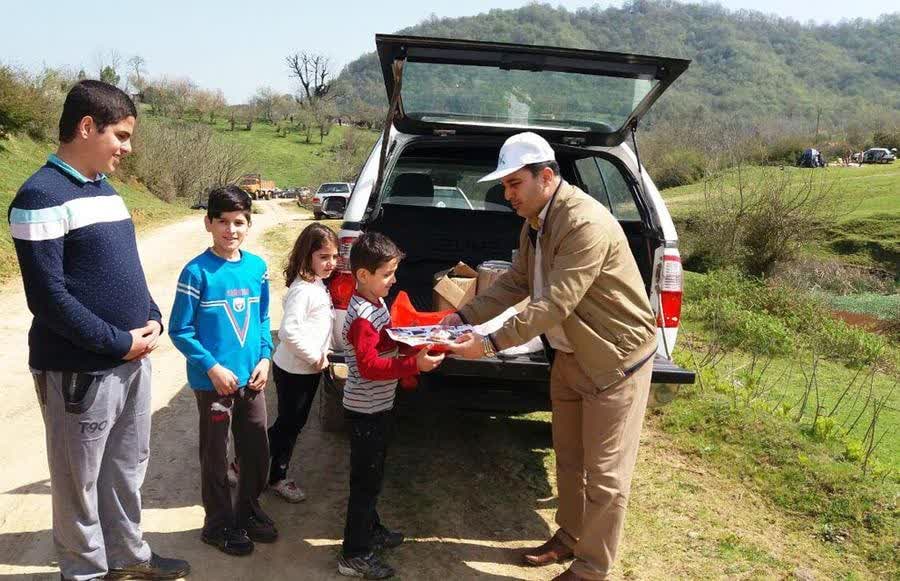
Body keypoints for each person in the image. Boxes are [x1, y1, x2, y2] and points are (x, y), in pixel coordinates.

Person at [447, 132, 659, 581]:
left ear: (546, 176)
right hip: (569, 353)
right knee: (569, 457)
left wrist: (487, 344)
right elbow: (515, 283)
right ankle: (569, 537)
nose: (507, 196)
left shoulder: (585, 224)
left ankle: (592, 568)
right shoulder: (536, 222)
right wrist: (462, 316)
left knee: (605, 477)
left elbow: (555, 303)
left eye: (513, 185)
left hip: (613, 361)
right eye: (504, 187)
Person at [8, 80, 190, 580]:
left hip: (131, 361)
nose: (127, 149)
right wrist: (118, 342)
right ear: (87, 127)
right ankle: (85, 572)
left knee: (125, 472)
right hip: (80, 371)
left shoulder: (104, 189)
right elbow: (48, 300)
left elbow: (124, 269)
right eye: (122, 135)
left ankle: (130, 560)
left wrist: (151, 314)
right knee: (77, 485)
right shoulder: (39, 196)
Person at [168, 185, 275, 556]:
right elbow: (180, 330)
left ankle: (246, 511)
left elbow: (262, 320)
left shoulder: (257, 269)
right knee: (215, 455)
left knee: (257, 448)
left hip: (252, 379)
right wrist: (212, 368)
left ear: (249, 224)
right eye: (223, 222)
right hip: (213, 384)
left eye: (239, 222)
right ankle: (217, 524)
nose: (231, 230)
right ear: (208, 224)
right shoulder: (196, 272)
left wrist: (265, 357)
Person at [337, 232, 445, 580]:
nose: (394, 279)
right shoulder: (363, 315)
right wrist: (413, 365)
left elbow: (385, 343)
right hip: (365, 410)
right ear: (364, 275)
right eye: (387, 274)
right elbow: (368, 366)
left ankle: (371, 529)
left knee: (374, 477)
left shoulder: (375, 302)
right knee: (364, 484)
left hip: (379, 406)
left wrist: (412, 342)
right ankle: (353, 554)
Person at [267, 223, 339, 502]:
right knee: (288, 425)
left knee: (292, 424)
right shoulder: (303, 290)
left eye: (334, 257)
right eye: (323, 257)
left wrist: (327, 351)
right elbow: (288, 332)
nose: (330, 263)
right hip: (294, 370)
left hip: (307, 369)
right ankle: (265, 472)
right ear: (307, 256)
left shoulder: (318, 285)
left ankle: (273, 473)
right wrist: (315, 357)